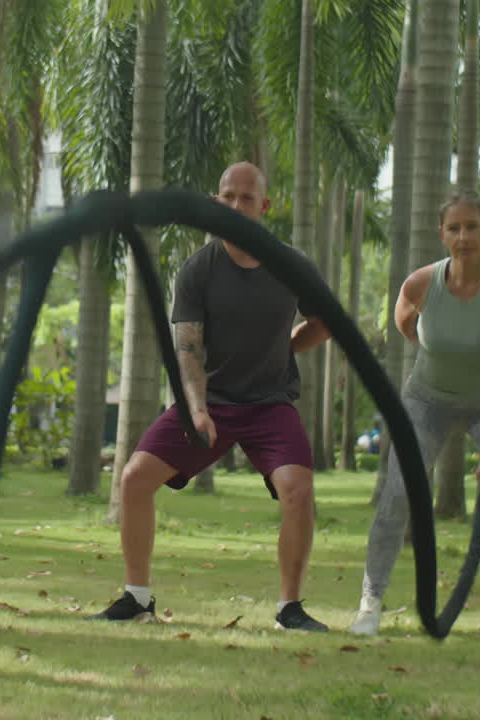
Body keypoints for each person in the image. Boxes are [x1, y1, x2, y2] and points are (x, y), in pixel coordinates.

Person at [90, 161, 333, 631]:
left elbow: (323, 322)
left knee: (298, 491)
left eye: (247, 198)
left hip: (270, 404)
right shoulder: (198, 269)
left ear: (264, 206)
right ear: (216, 202)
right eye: (228, 196)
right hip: (211, 402)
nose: (236, 206)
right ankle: (137, 598)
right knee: (134, 478)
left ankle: (290, 608)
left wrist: (285, 347)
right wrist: (198, 410)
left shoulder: (292, 264)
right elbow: (188, 349)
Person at [350, 190, 480, 637]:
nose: (463, 236)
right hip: (426, 401)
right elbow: (403, 323)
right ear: (442, 234)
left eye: (472, 227)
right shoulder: (420, 284)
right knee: (398, 493)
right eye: (454, 228)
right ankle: (369, 604)